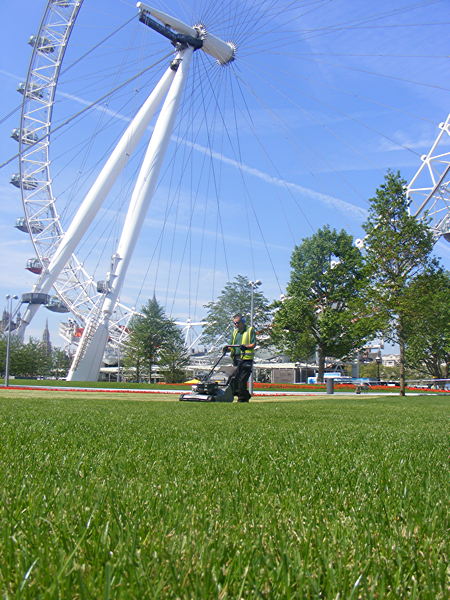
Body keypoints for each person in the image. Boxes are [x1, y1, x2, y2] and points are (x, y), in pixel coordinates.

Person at [223, 313, 256, 402]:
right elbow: (232, 345)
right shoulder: (234, 332)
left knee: (242, 379)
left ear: (243, 322)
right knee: (234, 379)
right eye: (235, 323)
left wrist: (245, 346)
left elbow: (253, 344)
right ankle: (244, 395)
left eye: (237, 323)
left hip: (246, 359)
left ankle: (242, 399)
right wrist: (227, 348)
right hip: (236, 358)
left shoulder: (250, 330)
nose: (236, 325)